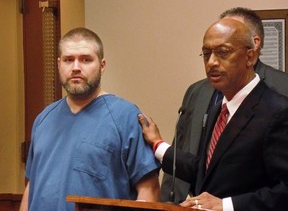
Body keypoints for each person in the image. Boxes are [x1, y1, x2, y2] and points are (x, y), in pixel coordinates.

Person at [138, 18, 288, 211]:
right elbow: (208, 171)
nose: (212, 62)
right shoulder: (219, 108)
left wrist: (226, 205)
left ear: (250, 57)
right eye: (206, 54)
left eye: (223, 53)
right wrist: (158, 145)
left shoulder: (278, 111)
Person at [19, 27, 160, 211]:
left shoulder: (126, 117)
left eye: (86, 59)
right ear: (59, 64)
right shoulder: (43, 120)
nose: (76, 67)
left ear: (102, 65)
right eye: (69, 60)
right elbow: (31, 188)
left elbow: (149, 189)